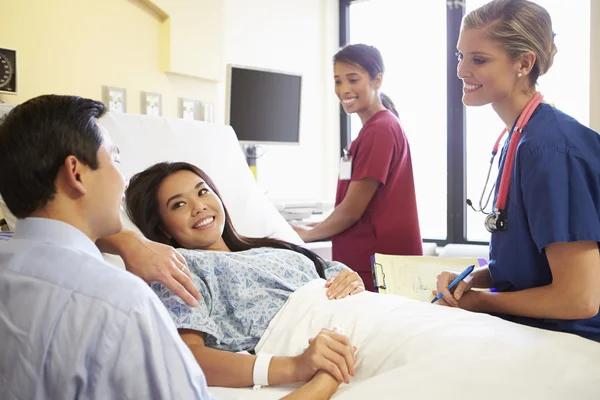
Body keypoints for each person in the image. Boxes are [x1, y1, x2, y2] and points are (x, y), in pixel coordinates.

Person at [0, 95, 213, 399]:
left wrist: (129, 241)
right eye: (115, 159)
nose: (123, 181)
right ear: (76, 173)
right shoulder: (121, 304)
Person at [125, 161, 364, 396]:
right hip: (339, 351)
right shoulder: (181, 266)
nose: (199, 207)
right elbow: (188, 355)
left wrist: (350, 280)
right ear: (164, 229)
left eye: (203, 191)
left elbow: (330, 271)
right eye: (179, 204)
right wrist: (295, 366)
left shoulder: (273, 248)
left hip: (365, 321)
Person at [435, 0, 600, 342]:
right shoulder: (520, 138)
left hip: (576, 346)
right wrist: (470, 280)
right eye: (460, 56)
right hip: (534, 336)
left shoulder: (551, 149)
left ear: (524, 63)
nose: (461, 71)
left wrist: (479, 303)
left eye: (478, 59)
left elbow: (580, 299)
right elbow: (528, 268)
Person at [292, 44, 422, 292]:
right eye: (338, 81)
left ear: (377, 81)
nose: (344, 89)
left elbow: (352, 211)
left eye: (353, 79)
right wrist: (308, 227)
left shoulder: (380, 129)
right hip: (371, 265)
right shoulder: (372, 130)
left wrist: (308, 235)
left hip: (377, 269)